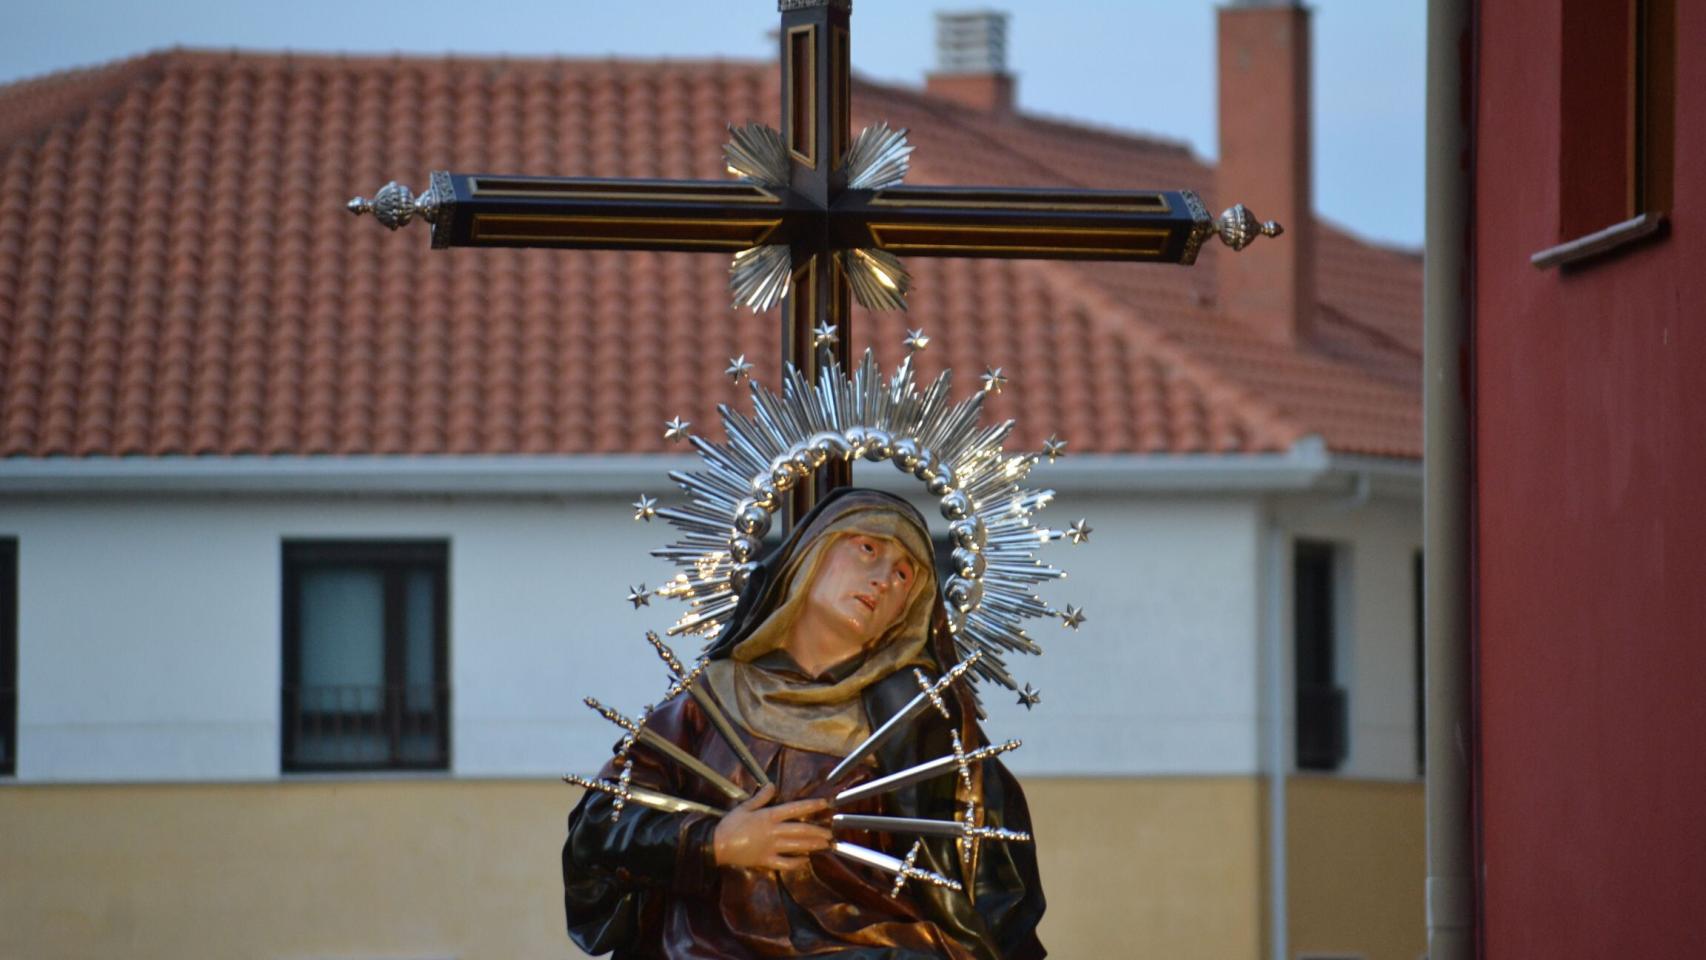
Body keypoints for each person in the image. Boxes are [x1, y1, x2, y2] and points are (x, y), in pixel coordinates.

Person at [563, 487, 1046, 959]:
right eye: (867, 549)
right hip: (706, 945)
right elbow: (602, 827)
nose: (882, 578)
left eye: (904, 575)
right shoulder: (714, 698)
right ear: (810, 554)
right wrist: (715, 843)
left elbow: (993, 878)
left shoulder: (921, 720)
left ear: (910, 613)